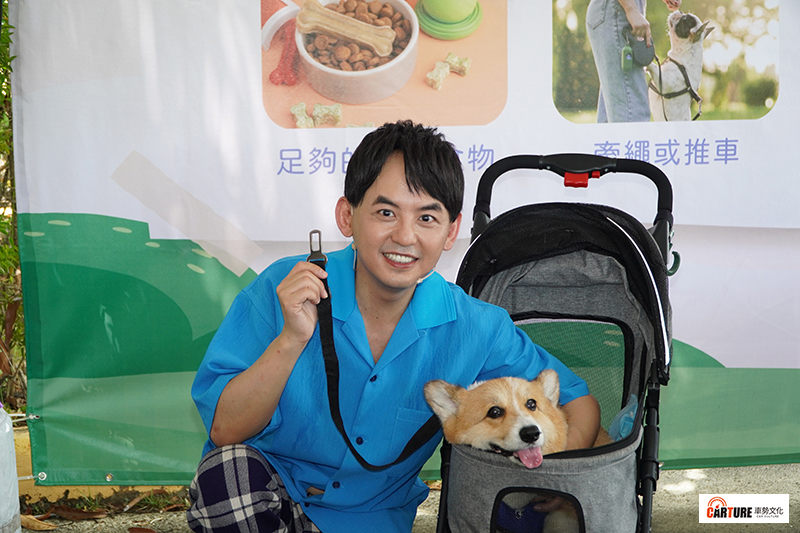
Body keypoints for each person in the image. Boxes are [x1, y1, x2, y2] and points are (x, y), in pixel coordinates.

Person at [186, 121, 601, 533]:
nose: (404, 236)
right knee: (227, 477)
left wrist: (558, 472)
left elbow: (577, 400)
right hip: (268, 502)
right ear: (347, 215)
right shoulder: (285, 286)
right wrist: (292, 339)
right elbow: (225, 431)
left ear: (451, 231)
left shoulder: (477, 327)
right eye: (386, 213)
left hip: (370, 521)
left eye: (427, 218)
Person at [587, 0, 681, 122]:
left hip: (614, 12)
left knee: (615, 116)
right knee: (633, 115)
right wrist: (631, 9)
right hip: (617, 13)